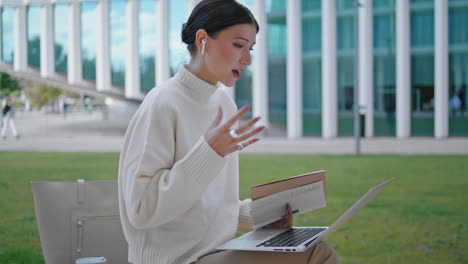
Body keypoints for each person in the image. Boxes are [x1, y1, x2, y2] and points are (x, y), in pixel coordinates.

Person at [118, 1, 340, 264]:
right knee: (317, 255)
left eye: (250, 49)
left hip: (216, 251)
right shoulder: (162, 104)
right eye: (238, 45)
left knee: (311, 247)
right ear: (203, 40)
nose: (247, 60)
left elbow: (213, 204)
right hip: (176, 259)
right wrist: (208, 153)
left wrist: (263, 216)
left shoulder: (223, 103)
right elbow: (142, 210)